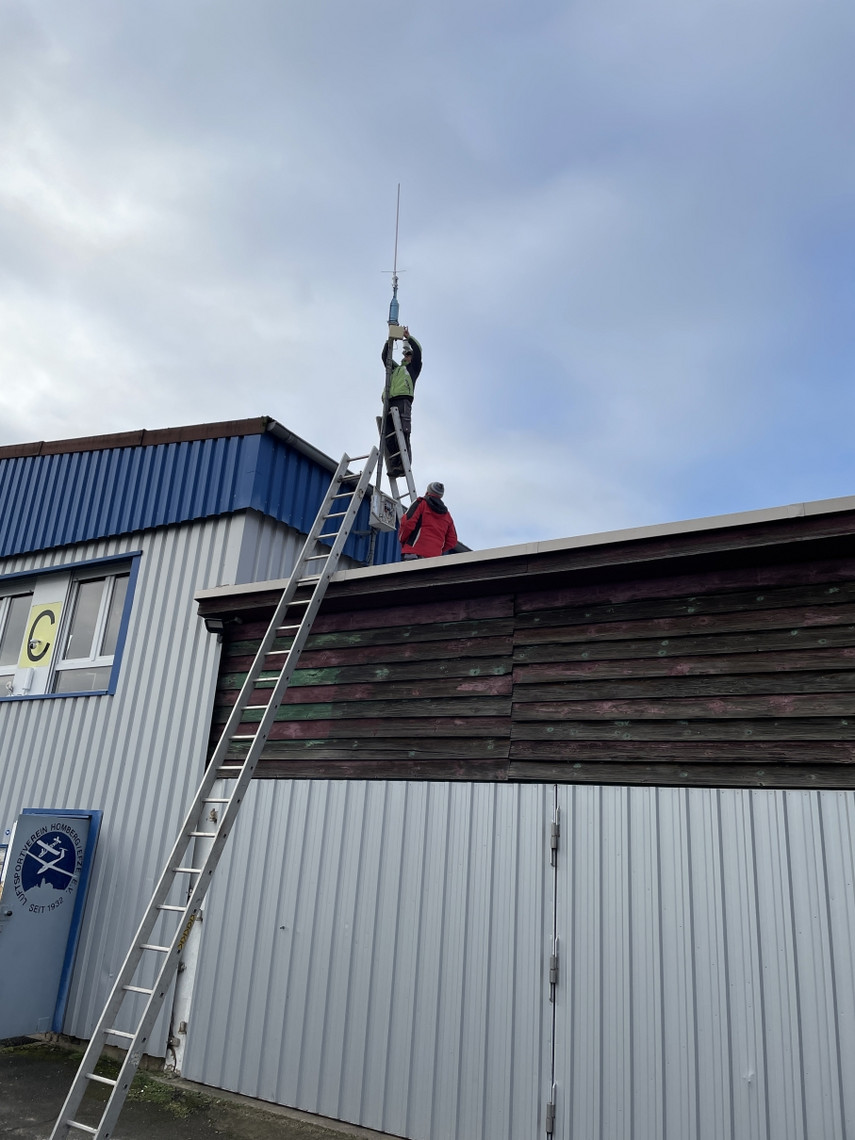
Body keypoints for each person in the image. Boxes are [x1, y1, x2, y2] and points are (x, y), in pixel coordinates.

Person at [380, 327, 422, 477]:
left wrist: (408, 337)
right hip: (390, 401)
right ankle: (395, 465)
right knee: (389, 434)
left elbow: (418, 351)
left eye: (409, 354)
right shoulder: (396, 369)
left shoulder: (413, 369)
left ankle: (404, 465)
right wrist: (390, 340)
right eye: (406, 354)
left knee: (403, 433)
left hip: (403, 400)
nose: (406, 356)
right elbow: (385, 357)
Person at [399, 481, 458, 560]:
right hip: (434, 559)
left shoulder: (420, 503)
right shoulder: (447, 516)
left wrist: (402, 540)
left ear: (428, 492)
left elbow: (407, 523)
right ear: (440, 496)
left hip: (414, 553)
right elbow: (452, 540)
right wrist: (436, 550)